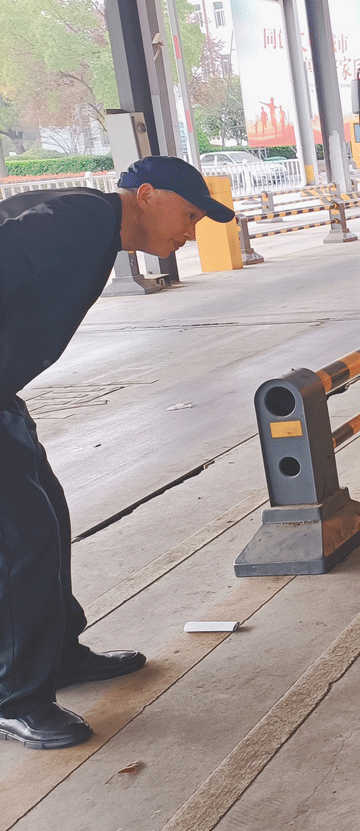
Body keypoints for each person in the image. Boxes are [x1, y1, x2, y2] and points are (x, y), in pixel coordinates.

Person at [0, 156, 236, 750]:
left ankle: (57, 656)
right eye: (188, 215)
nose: (191, 232)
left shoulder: (90, 222)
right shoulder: (78, 219)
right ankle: (16, 698)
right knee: (22, 541)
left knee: (47, 519)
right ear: (147, 195)